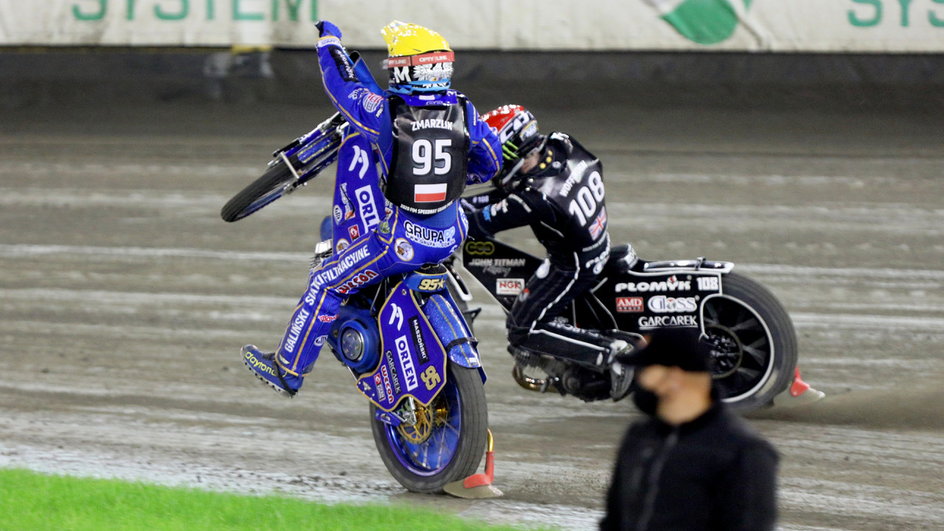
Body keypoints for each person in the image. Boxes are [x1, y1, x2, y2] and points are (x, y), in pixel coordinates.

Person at [241, 20, 501, 397]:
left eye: (396, 64)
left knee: (325, 283)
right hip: (451, 234)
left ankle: (288, 369)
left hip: (402, 241)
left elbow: (342, 88)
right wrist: (454, 179)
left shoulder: (385, 112)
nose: (392, 71)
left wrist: (328, 44)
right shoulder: (465, 109)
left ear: (411, 69)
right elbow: (491, 162)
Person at [463, 104, 633, 399]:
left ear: (512, 150)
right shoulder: (562, 143)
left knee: (521, 328)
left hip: (574, 265)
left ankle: (610, 354)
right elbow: (504, 195)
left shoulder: (534, 198)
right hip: (597, 240)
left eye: (494, 153)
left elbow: (478, 223)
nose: (489, 161)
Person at [600, 329, 779, 530]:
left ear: (674, 376)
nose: (639, 380)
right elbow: (613, 522)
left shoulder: (744, 452)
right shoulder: (639, 435)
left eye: (645, 369)